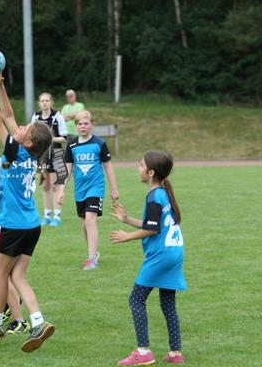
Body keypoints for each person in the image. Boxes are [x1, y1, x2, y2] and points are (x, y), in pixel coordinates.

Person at [0, 64, 55, 352]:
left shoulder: (13, 151)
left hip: (13, 225)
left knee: (1, 274)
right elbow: (8, 116)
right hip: (32, 225)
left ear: (28, 140)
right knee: (18, 276)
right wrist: (1, 86)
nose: (20, 126)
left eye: (26, 128)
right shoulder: (29, 154)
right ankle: (38, 322)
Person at [110, 150, 186, 365]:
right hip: (174, 252)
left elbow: (151, 230)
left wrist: (127, 236)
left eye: (141, 165)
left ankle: (143, 352)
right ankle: (175, 353)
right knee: (167, 303)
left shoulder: (154, 197)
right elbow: (153, 224)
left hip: (161, 255)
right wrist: (126, 219)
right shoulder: (163, 193)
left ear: (151, 173)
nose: (138, 168)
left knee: (136, 299)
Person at [0, 118, 28, 335]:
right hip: (17, 223)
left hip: (6, 225)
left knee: (0, 274)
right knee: (8, 274)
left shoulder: (14, 160)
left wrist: (2, 207)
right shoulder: (10, 160)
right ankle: (7, 312)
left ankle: (18, 320)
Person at [58, 110, 119, 271]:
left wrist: (114, 189)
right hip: (80, 190)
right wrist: (62, 190)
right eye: (80, 124)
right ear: (76, 126)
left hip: (96, 188)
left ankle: (92, 259)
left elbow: (108, 167)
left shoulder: (99, 143)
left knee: (90, 220)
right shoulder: (72, 145)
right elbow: (67, 170)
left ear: (91, 125)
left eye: (86, 123)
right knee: (84, 223)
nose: (83, 126)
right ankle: (92, 252)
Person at [31, 92, 67, 227]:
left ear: (51, 102)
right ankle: (46, 216)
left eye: (47, 100)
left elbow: (64, 138)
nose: (45, 103)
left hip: (56, 153)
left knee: (55, 185)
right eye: (42, 101)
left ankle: (57, 216)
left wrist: (50, 139)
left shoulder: (57, 117)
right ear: (39, 103)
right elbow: (32, 135)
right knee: (45, 185)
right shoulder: (35, 117)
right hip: (42, 155)